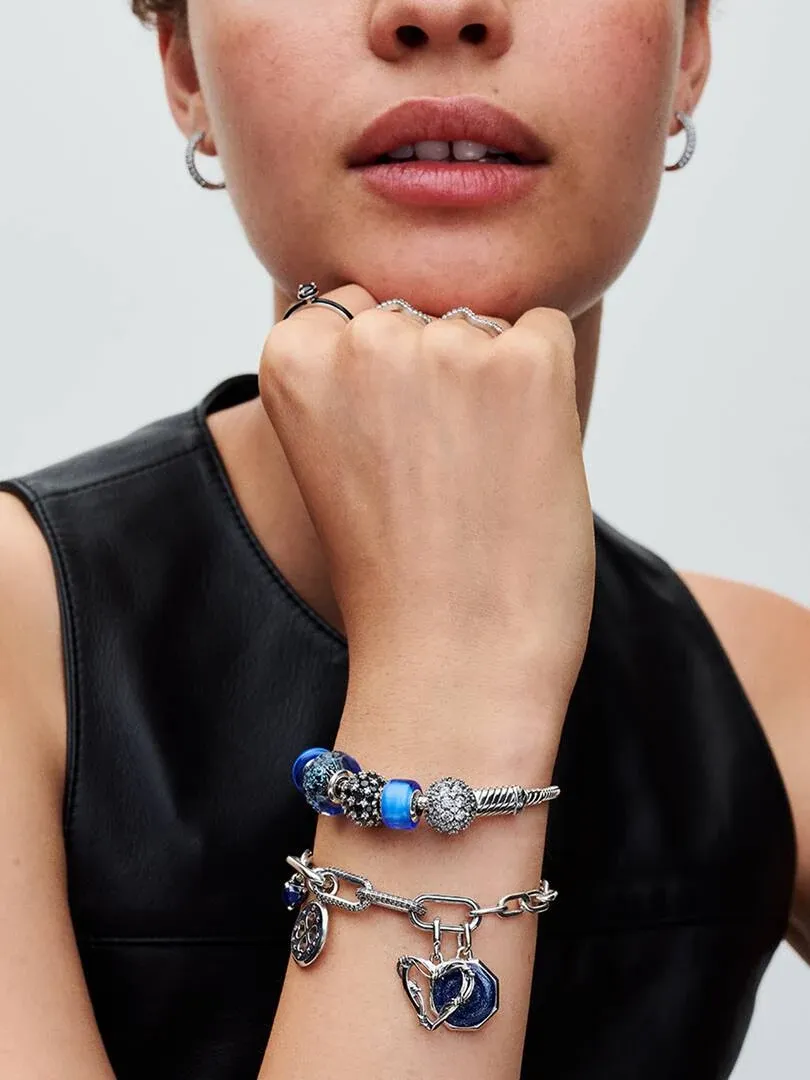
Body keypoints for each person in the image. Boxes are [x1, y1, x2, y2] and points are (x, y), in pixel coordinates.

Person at [0, 0, 807, 1077]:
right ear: (185, 62)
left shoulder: (769, 696)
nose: (438, 9)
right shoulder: (18, 640)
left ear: (689, 47)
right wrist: (451, 664)